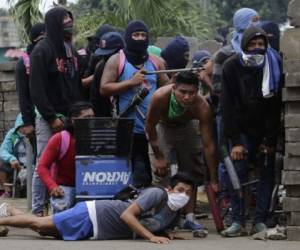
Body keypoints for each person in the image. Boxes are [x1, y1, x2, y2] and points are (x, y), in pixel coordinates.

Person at [0, 172, 195, 244]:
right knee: (39, 223)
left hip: (99, 230)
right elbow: (128, 215)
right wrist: (151, 237)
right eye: (180, 190)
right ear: (170, 188)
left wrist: (167, 233)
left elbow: (156, 224)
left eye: (187, 193)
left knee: (42, 230)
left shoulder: (174, 212)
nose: (183, 196)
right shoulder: (157, 194)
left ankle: (10, 210)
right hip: (94, 214)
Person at [220, 26, 282, 237]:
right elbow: (227, 107)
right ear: (245, 45)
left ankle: (259, 221)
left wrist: (269, 139)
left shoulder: (273, 65)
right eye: (253, 44)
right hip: (240, 129)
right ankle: (237, 221)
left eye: (261, 44)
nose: (257, 48)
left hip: (264, 129)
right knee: (237, 173)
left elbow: (275, 107)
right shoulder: (231, 66)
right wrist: (236, 141)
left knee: (266, 174)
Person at [145, 71, 218, 230]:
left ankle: (190, 217)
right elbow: (150, 127)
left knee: (191, 171)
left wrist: (213, 178)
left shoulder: (202, 106)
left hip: (187, 127)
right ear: (173, 88)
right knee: (160, 174)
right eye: (182, 92)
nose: (186, 97)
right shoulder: (160, 97)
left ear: (197, 91)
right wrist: (158, 156)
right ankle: (160, 219)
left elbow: (208, 145)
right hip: (162, 127)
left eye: (191, 93)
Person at [100, 20, 169, 186]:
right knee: (134, 175)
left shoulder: (156, 62)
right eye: (135, 35)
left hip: (153, 128)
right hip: (127, 128)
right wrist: (130, 83)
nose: (140, 38)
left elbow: (167, 87)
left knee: (152, 174)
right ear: (128, 37)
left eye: (143, 35)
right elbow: (104, 88)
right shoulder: (116, 60)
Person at [30, 7, 82, 216]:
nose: (69, 22)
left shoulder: (70, 50)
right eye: (64, 19)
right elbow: (37, 89)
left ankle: (65, 207)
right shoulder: (42, 50)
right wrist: (51, 117)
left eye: (70, 17)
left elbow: (75, 83)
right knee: (42, 162)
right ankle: (37, 210)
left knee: (71, 160)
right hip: (49, 118)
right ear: (54, 23)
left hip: (71, 117)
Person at [37, 102, 94, 213]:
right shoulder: (60, 139)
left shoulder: (99, 138)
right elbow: (42, 167)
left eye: (93, 117)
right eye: (87, 117)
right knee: (62, 205)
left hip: (90, 187)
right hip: (66, 187)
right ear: (73, 120)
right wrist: (53, 187)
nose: (91, 121)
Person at [16, 23, 45, 138]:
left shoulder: (52, 56)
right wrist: (27, 122)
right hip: (36, 117)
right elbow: (23, 94)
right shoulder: (24, 63)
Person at [89, 31, 124, 117]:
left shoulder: (127, 65)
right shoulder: (102, 66)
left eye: (109, 54)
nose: (105, 57)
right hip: (104, 116)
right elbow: (96, 97)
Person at [0, 114, 33, 198]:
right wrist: (12, 159)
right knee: (2, 164)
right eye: (21, 127)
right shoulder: (12, 134)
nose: (23, 130)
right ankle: (8, 191)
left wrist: (32, 166)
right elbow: (3, 150)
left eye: (25, 126)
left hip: (33, 166)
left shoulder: (36, 134)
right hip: (17, 164)